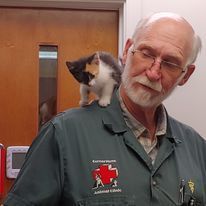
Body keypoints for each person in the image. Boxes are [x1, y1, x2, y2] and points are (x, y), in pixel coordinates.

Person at [3, 12, 205, 206]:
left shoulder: (197, 148)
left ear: (185, 75)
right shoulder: (63, 135)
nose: (153, 73)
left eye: (170, 63)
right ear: (127, 51)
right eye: (146, 53)